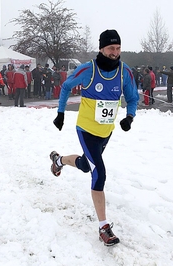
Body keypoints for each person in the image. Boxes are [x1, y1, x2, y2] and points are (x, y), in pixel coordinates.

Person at [50, 29, 139, 246]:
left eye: (118, 48)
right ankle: (104, 227)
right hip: (86, 130)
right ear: (101, 48)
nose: (115, 53)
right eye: (111, 48)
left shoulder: (124, 72)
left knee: (84, 165)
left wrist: (130, 117)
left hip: (105, 133)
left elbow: (133, 97)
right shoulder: (88, 70)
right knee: (99, 173)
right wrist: (60, 113)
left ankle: (59, 160)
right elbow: (66, 87)